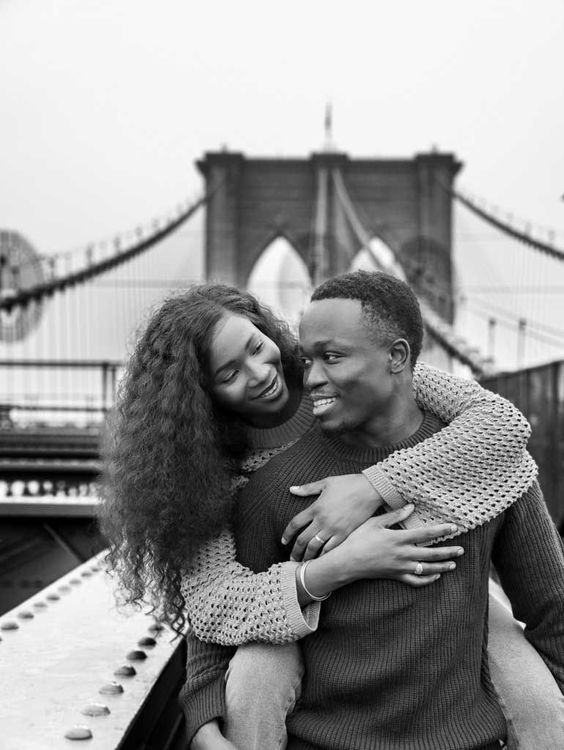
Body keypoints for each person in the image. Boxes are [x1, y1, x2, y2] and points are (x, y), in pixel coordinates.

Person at [98, 282, 540, 749]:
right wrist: (205, 723)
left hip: (450, 601)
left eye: (255, 347)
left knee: (540, 704)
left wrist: (373, 486)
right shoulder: (215, 474)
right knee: (257, 670)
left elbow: (500, 423)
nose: (260, 373)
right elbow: (215, 609)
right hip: (305, 619)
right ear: (200, 397)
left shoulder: (341, 371)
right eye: (229, 374)